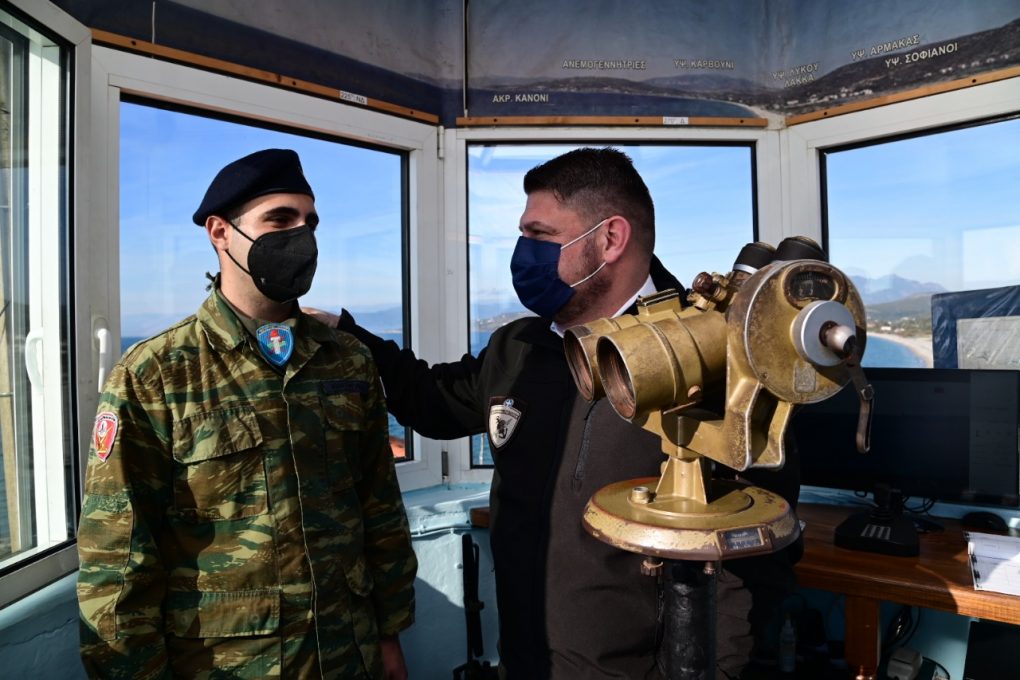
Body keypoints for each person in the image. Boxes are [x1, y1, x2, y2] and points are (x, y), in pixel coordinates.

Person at [309, 147, 800, 679]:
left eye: (539, 235)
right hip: (525, 660)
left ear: (610, 239)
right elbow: (433, 401)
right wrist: (346, 335)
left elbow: (752, 562)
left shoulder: (711, 362)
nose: (523, 252)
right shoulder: (518, 348)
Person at [76, 148, 417, 680]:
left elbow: (379, 509)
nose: (302, 236)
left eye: (310, 222)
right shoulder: (155, 374)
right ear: (220, 233)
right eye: (280, 219)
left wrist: (390, 634)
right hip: (227, 665)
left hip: (348, 654)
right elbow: (118, 560)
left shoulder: (347, 359)